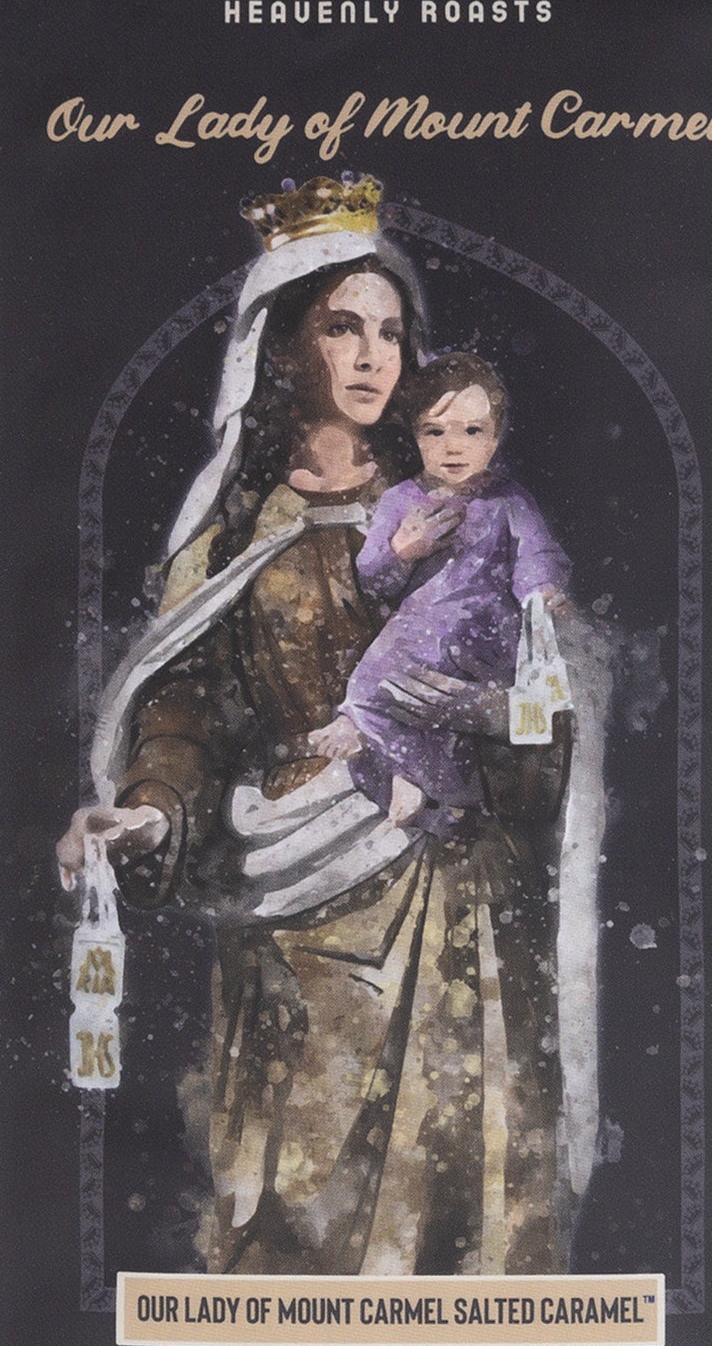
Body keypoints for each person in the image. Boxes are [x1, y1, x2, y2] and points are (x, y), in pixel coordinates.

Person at [55, 179, 574, 1281]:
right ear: (285, 345)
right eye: (343, 326)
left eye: (391, 331)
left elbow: (542, 676)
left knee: (465, 1184)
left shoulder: (462, 511)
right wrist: (148, 811)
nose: (373, 355)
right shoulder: (233, 538)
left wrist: (495, 716)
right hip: (298, 901)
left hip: (455, 889)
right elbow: (186, 709)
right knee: (299, 1209)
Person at [314, 352, 569, 838]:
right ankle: (400, 770)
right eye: (435, 432)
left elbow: (536, 554)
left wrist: (541, 592)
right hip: (416, 633)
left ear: (495, 436)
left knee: (407, 705)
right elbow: (374, 580)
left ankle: (405, 769)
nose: (453, 446)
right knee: (378, 686)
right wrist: (402, 551)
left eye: (472, 431)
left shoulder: (508, 500)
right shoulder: (400, 500)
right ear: (415, 435)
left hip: (484, 635)